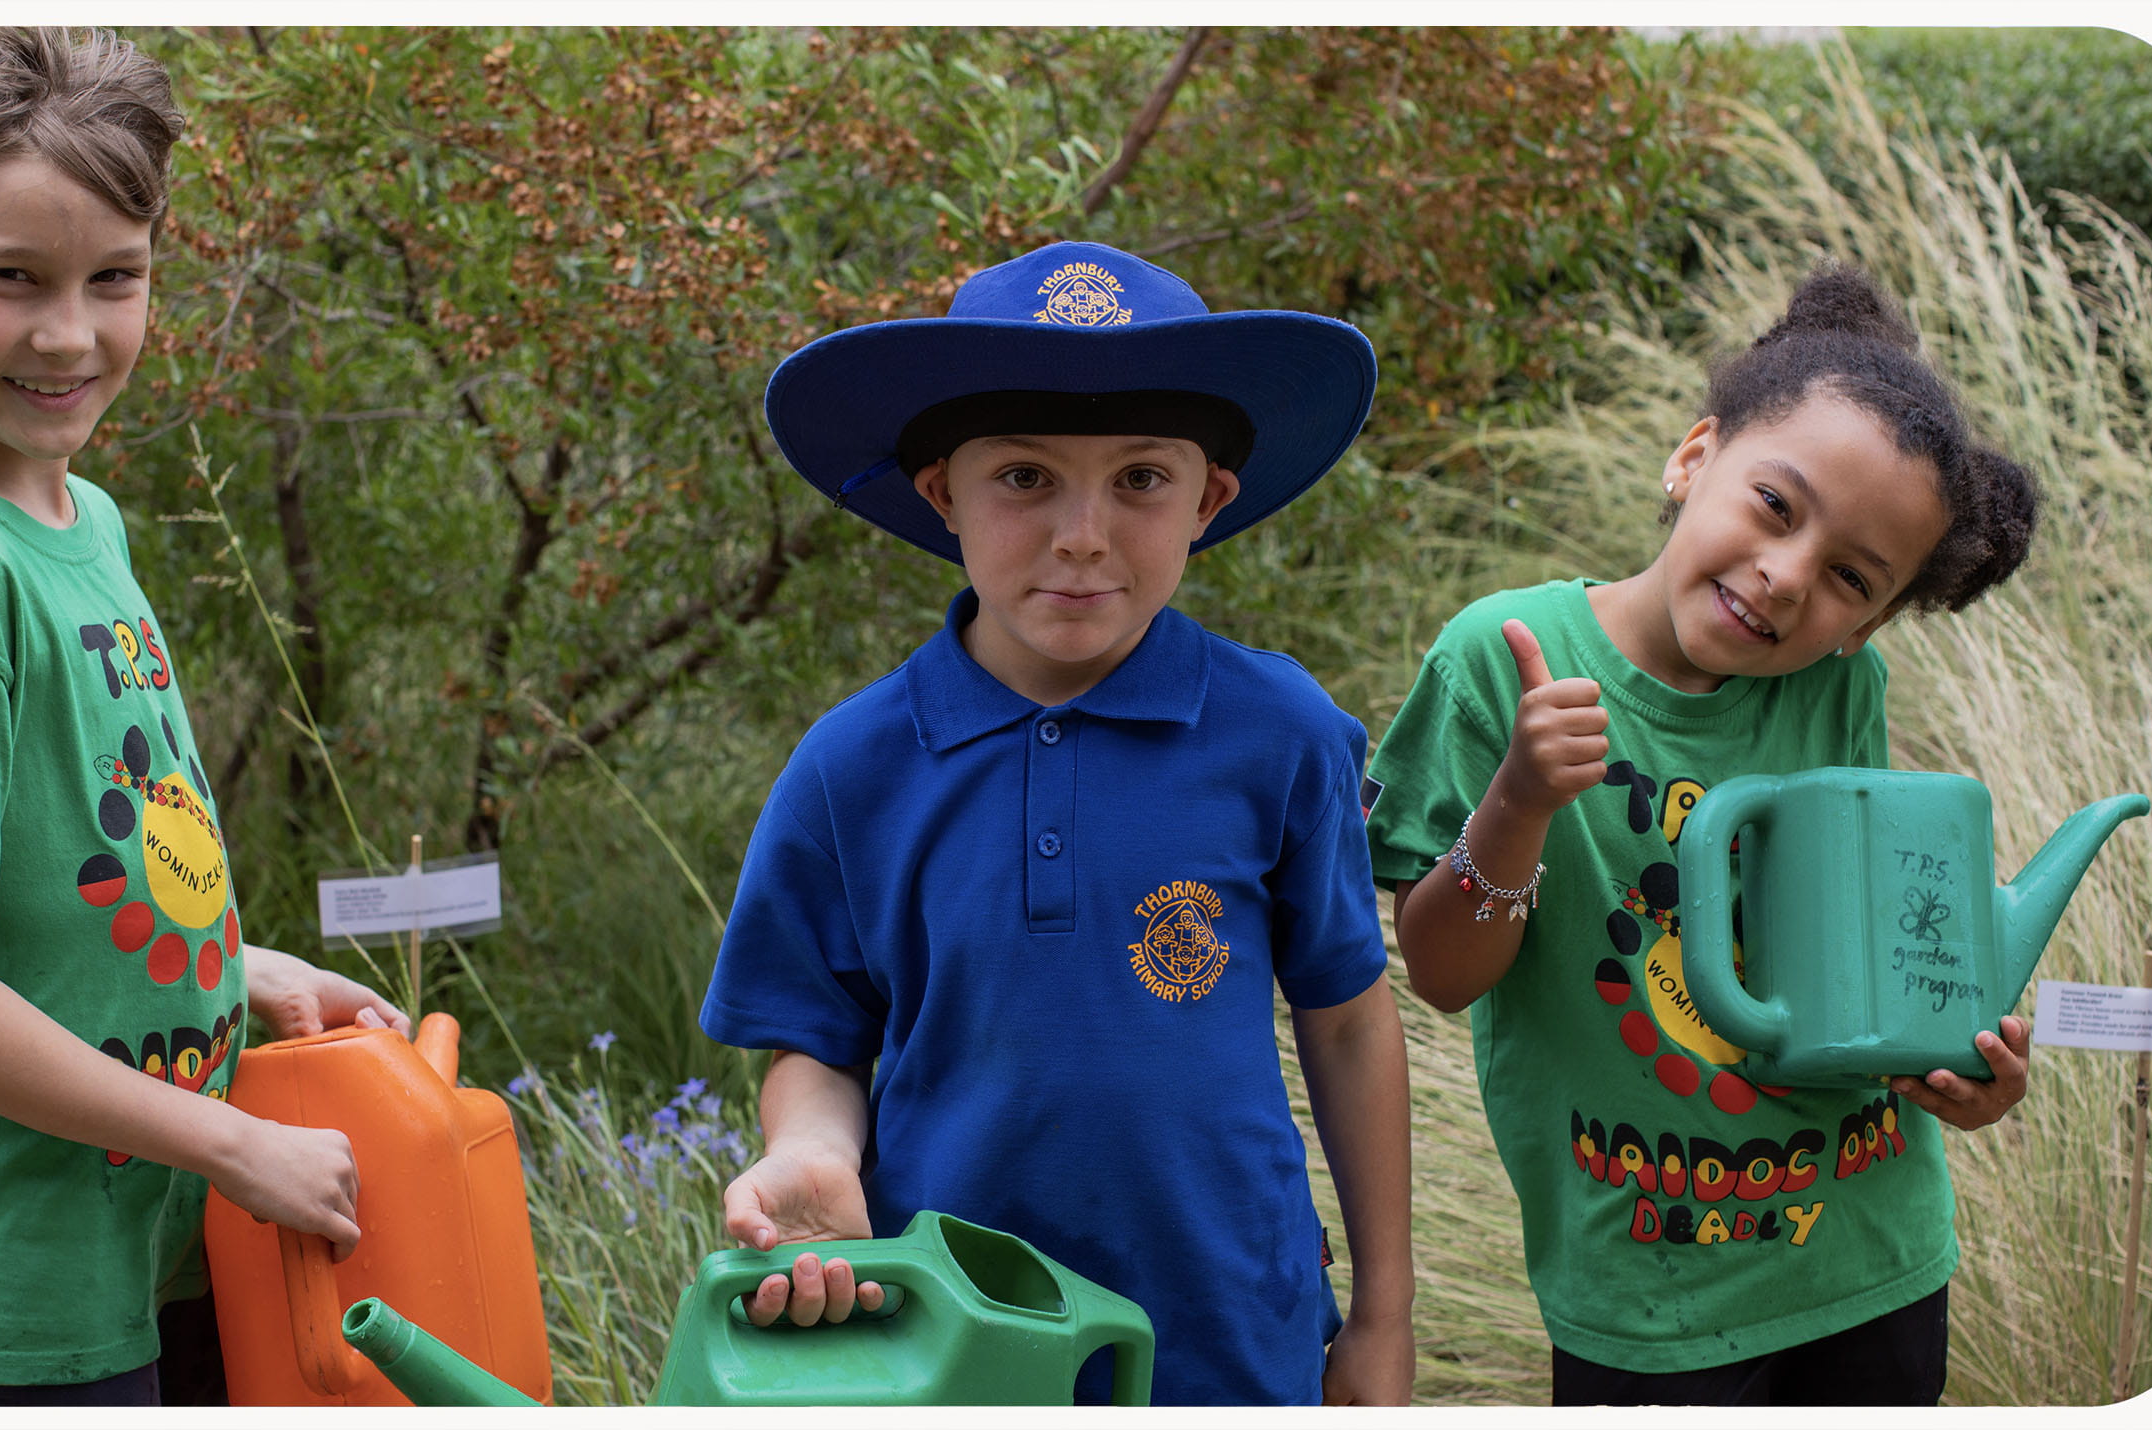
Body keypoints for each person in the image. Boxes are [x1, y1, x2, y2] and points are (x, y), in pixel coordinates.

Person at [0, 28, 407, 1407]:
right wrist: (229, 1140)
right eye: (11, 278)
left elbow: (71, 858)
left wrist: (234, 968)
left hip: (154, 1220)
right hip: (31, 1261)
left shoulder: (74, 514)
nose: (72, 333)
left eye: (116, 279)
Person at [697, 241, 1413, 1405]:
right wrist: (811, 1150)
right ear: (942, 494)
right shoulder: (851, 767)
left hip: (1230, 1341)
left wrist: (1385, 1309)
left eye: (1140, 478)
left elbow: (1343, 1021)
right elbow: (819, 1040)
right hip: (952, 1346)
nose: (1083, 531)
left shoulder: (1280, 731)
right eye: (1024, 477)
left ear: (1207, 501)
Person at [1363, 266, 2042, 1406]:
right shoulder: (1502, 654)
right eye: (1775, 505)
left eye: (1847, 579)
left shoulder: (1837, 692)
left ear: (1867, 623)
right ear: (1693, 457)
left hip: (1868, 1252)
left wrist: (1958, 1063)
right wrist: (1519, 799)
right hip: (1645, 1291)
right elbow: (1439, 971)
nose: (1784, 576)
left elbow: (1850, 961)